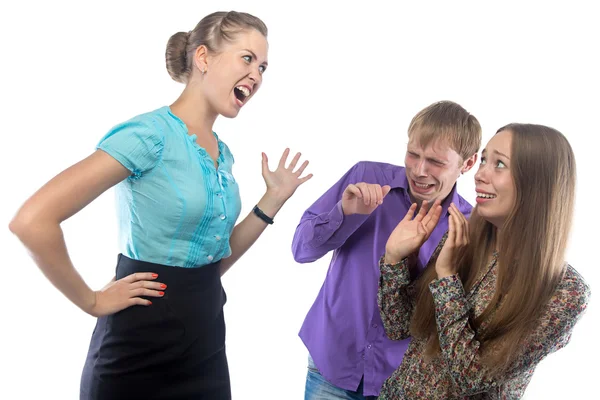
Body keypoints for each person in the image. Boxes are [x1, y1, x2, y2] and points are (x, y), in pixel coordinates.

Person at [9, 11, 312, 400]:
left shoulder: (223, 154)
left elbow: (213, 262)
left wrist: (271, 201)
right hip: (137, 351)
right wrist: (91, 300)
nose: (257, 76)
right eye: (248, 58)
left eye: (264, 67)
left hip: (205, 348)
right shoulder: (148, 134)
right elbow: (32, 220)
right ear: (203, 58)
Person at [378, 123, 591, 399]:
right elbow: (398, 327)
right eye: (483, 160)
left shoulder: (564, 293)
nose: (479, 174)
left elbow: (471, 376)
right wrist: (395, 259)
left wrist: (447, 279)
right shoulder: (463, 239)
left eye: (499, 164)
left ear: (538, 183)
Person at [291, 100, 482, 398]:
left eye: (435, 162)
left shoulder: (469, 228)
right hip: (331, 364)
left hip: (400, 383)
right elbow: (302, 250)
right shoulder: (366, 178)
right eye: (413, 154)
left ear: (467, 164)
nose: (419, 170)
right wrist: (344, 212)